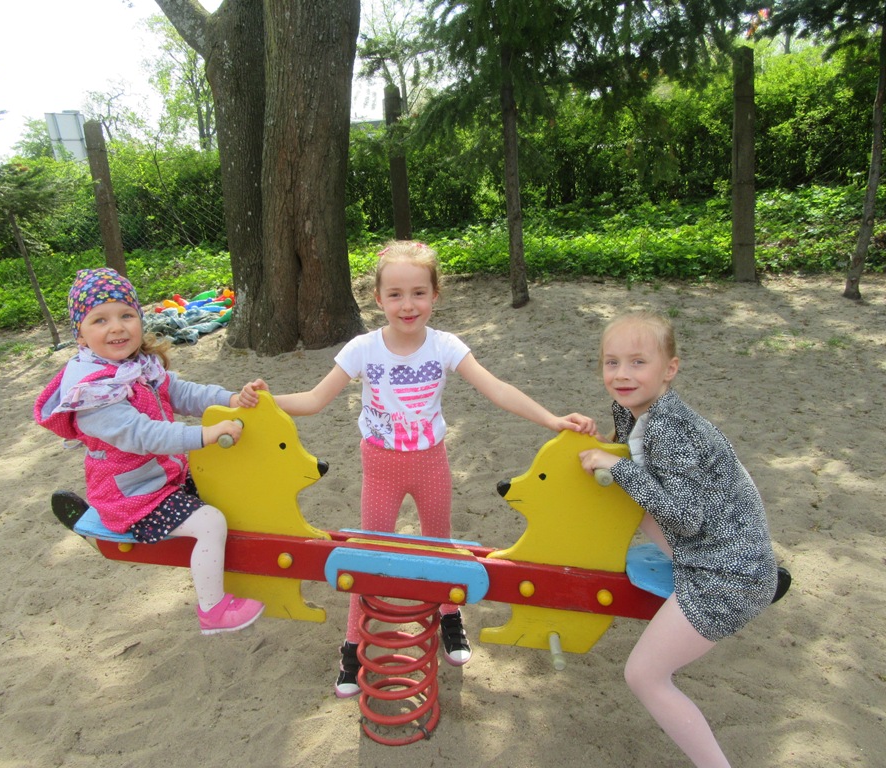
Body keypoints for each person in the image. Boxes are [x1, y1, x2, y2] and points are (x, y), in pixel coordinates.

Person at [268, 241, 597, 698]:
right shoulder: (363, 349)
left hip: (430, 462)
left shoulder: (444, 346)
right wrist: (262, 401)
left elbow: (497, 389)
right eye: (396, 294)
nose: (408, 305)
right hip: (380, 465)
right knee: (368, 553)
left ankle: (449, 615)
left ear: (435, 295)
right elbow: (313, 400)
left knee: (439, 545)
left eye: (419, 293)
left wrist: (553, 419)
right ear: (378, 299)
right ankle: (354, 642)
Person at [578, 310, 784, 768]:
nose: (622, 374)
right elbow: (631, 459)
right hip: (719, 548)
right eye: (612, 362)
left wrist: (618, 467)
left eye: (638, 362)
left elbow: (686, 517)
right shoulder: (635, 410)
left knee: (644, 674)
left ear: (669, 369)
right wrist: (599, 445)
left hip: (727, 574)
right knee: (626, 495)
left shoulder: (669, 428)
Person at [34, 267, 265, 635]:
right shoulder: (93, 393)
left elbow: (182, 393)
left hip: (165, 476)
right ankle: (214, 610)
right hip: (133, 496)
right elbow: (143, 435)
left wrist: (231, 399)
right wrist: (204, 435)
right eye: (100, 320)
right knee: (210, 522)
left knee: (228, 487)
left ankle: (240, 569)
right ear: (80, 334)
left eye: (126, 315)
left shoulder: (136, 367)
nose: (117, 327)